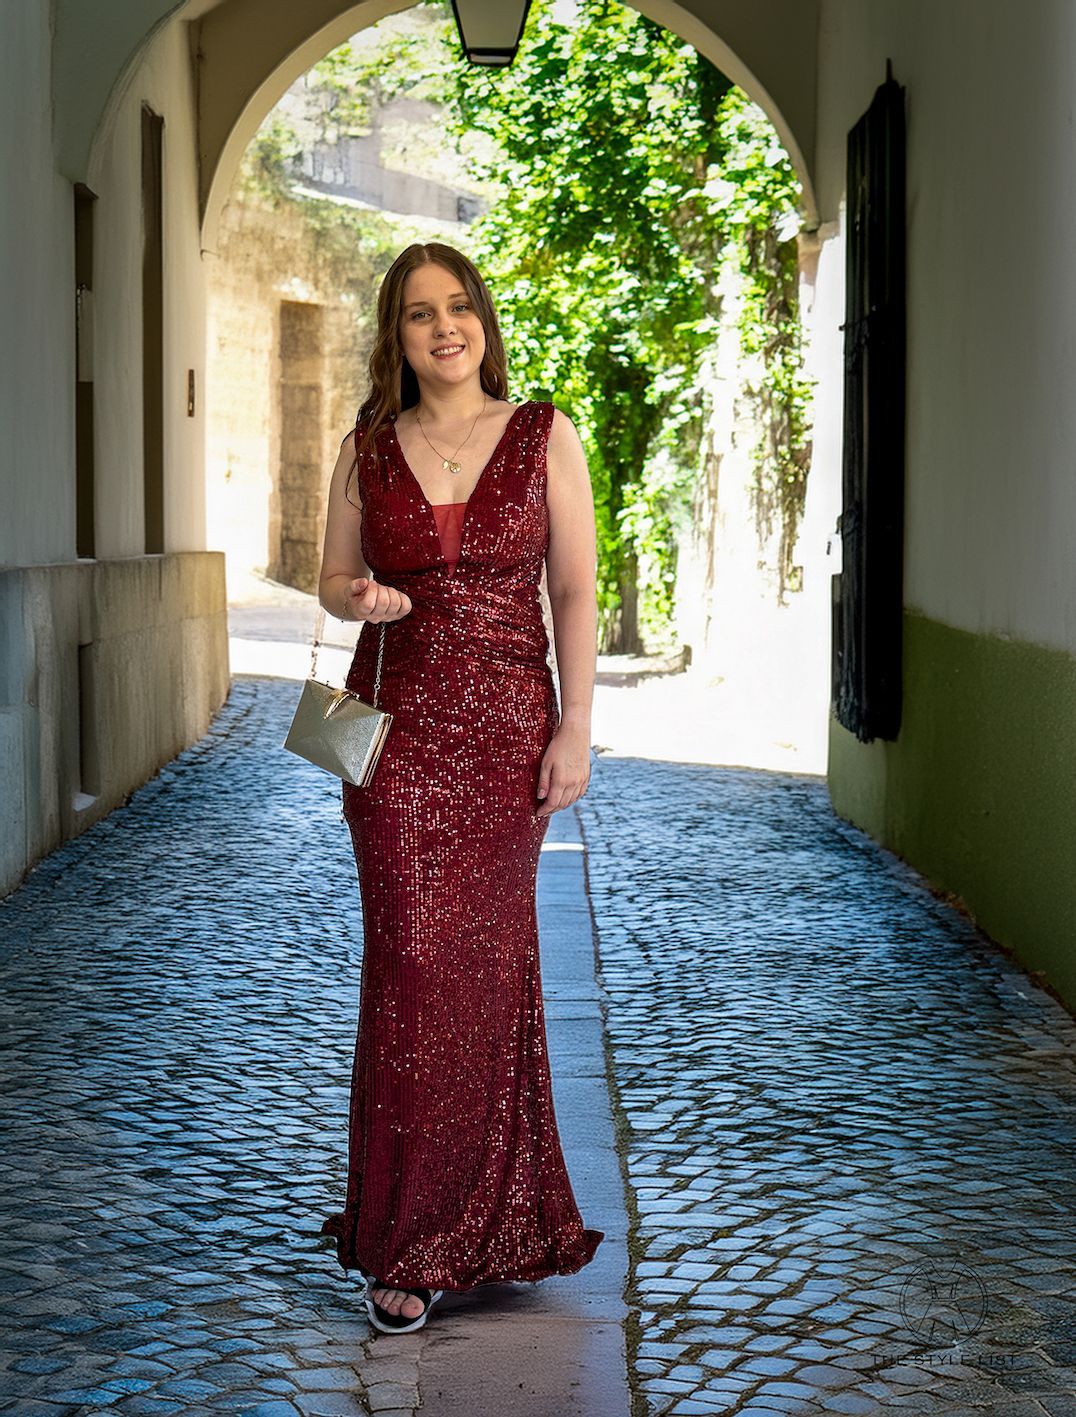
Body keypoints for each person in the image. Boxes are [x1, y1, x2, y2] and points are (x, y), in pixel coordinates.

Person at [316, 241, 604, 1334]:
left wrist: (574, 724)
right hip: (389, 737)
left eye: (459, 308)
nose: (444, 328)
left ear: (482, 320)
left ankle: (483, 1222)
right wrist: (363, 597)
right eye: (418, 314)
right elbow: (333, 578)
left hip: (503, 738)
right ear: (394, 336)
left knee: (481, 968)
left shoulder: (541, 434)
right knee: (409, 964)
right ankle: (407, 1237)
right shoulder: (365, 449)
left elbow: (573, 590)